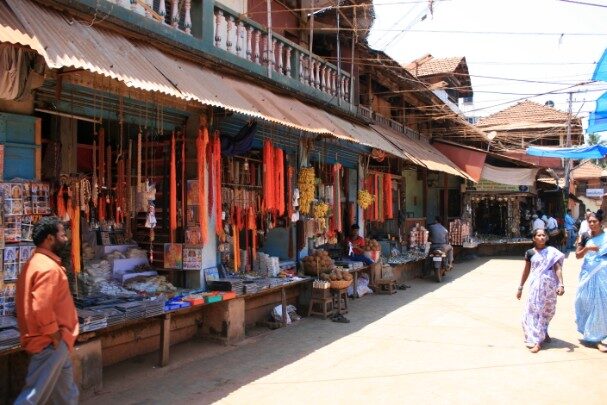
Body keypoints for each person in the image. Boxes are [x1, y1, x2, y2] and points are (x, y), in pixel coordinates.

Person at [15, 217, 79, 404]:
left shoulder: (36, 263)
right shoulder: (46, 267)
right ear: (50, 239)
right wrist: (55, 337)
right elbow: (41, 307)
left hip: (56, 342)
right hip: (50, 343)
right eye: (62, 235)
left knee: (67, 395)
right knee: (32, 398)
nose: (66, 238)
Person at [517, 228, 565, 353]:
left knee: (547, 311)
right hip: (535, 287)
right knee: (534, 311)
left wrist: (561, 284)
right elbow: (526, 270)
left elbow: (558, 268)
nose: (542, 237)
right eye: (539, 235)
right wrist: (520, 287)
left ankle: (543, 331)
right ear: (534, 238)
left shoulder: (552, 252)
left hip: (549, 287)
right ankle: (537, 341)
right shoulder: (530, 253)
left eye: (544, 235)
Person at [574, 211, 607, 353]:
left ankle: (596, 338)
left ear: (600, 222)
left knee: (599, 304)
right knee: (583, 301)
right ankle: (587, 330)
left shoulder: (606, 237)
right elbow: (577, 255)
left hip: (602, 274)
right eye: (590, 221)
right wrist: (587, 248)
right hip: (587, 274)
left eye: (595, 221)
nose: (592, 224)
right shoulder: (585, 236)